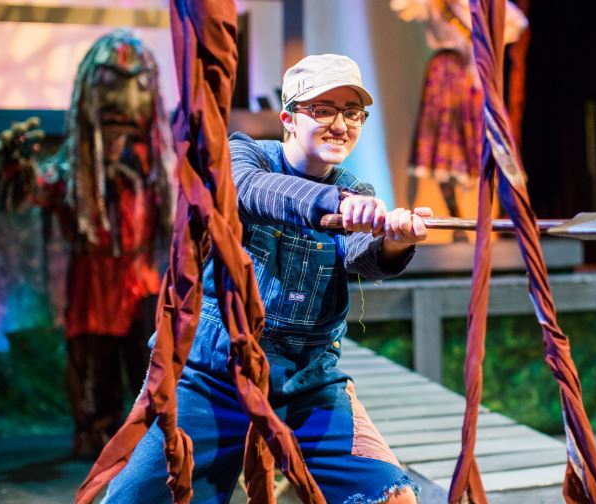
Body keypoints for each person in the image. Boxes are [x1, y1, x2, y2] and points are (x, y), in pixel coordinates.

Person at [101, 54, 429, 503]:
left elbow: (360, 253)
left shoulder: (358, 190)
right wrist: (334, 203)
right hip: (211, 378)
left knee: (392, 497)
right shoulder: (244, 155)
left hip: (306, 383)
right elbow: (248, 191)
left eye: (352, 113)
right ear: (289, 118)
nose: (340, 124)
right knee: (133, 499)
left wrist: (395, 239)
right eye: (323, 110)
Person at [0, 30, 175, 459]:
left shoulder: (155, 167)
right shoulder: (74, 169)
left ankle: (150, 439)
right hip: (94, 287)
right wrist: (16, 170)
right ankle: (99, 434)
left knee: (149, 366)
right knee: (95, 367)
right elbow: (36, 188)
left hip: (143, 282)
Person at [391, 0, 528, 242]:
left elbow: (518, 22)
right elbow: (402, 6)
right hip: (446, 72)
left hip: (475, 74)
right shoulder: (434, 4)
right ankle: (456, 220)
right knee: (445, 148)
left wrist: (487, 44)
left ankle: (508, 216)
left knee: (492, 142)